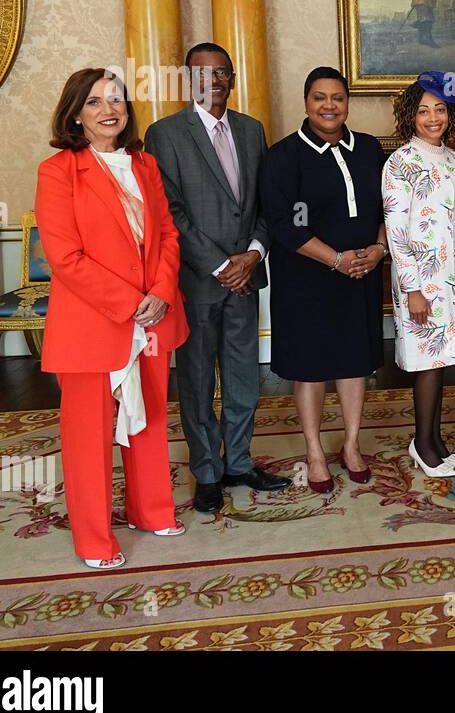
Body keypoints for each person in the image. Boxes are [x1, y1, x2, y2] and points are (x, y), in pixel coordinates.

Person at [35, 68, 189, 569]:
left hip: (152, 316)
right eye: (95, 102)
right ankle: (94, 538)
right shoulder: (57, 172)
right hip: (92, 323)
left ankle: (151, 510)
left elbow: (167, 233)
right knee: (89, 437)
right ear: (76, 114)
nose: (109, 110)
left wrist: (161, 291)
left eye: (116, 100)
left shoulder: (144, 164)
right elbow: (65, 256)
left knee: (148, 418)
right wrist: (129, 302)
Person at [144, 42, 291, 514]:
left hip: (245, 278)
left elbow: (266, 203)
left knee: (245, 377)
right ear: (190, 81)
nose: (215, 80)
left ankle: (239, 462)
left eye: (223, 72)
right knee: (198, 380)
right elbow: (171, 213)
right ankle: (207, 470)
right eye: (204, 73)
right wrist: (219, 264)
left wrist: (251, 254)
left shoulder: (251, 130)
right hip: (198, 281)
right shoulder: (165, 134)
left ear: (232, 77)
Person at [259, 66, 387, 493]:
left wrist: (379, 249)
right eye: (320, 97)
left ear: (347, 102)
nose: (329, 106)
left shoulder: (369, 149)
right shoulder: (284, 156)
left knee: (355, 361)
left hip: (361, 274)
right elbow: (285, 224)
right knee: (311, 366)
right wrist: (335, 259)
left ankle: (351, 444)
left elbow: (390, 208)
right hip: (306, 280)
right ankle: (314, 451)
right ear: (306, 102)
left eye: (337, 97)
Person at [383, 71, 455, 476]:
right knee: (427, 362)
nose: (432, 117)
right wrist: (413, 289)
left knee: (440, 361)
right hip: (421, 282)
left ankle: (436, 442)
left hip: (453, 275)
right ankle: (422, 446)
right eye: (423, 110)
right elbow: (395, 229)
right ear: (411, 116)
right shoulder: (400, 163)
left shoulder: (454, 158)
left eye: (439, 109)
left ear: (450, 113)